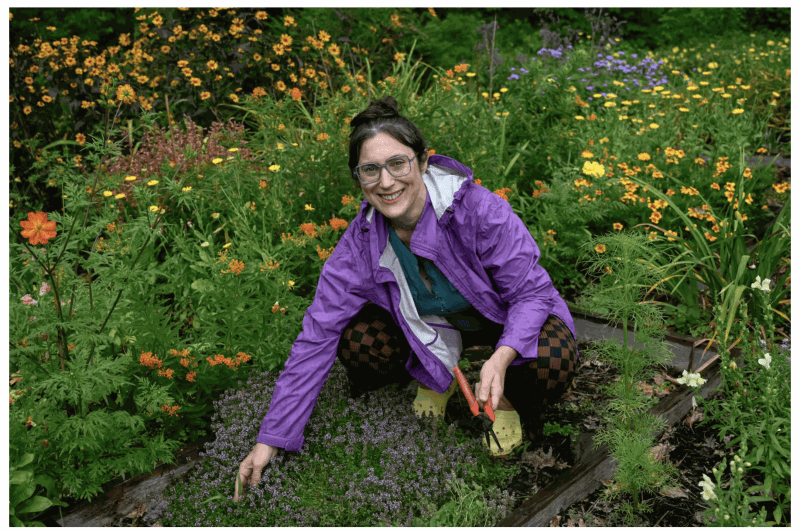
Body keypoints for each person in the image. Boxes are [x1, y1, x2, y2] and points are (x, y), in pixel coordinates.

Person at [234, 96, 579, 502]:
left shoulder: (479, 211)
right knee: (359, 342)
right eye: (370, 170)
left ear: (423, 161)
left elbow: (530, 292)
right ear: (358, 179)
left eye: (398, 163)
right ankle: (437, 377)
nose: (386, 182)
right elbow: (316, 337)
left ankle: (506, 400)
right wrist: (270, 439)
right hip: (435, 329)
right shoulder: (360, 244)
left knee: (551, 360)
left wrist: (502, 356)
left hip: (500, 318)